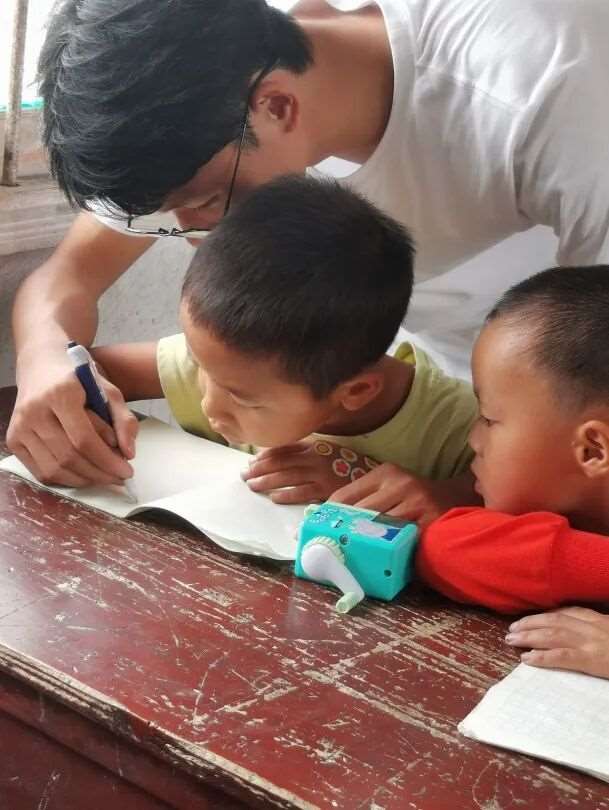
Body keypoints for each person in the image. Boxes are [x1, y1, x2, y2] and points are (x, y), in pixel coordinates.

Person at [8, 0, 609, 490]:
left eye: (210, 200)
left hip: (539, 421)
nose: (197, 235)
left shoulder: (548, 92)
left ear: (276, 105)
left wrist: (453, 499)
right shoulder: (200, 100)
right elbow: (66, 279)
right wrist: (46, 363)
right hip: (387, 393)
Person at [87, 176, 478, 513]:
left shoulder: (461, 425)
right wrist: (75, 412)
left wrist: (442, 495)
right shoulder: (226, 364)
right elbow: (91, 368)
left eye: (243, 399)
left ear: (356, 391)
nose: (210, 407)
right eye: (198, 365)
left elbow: (506, 500)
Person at [414, 265, 609, 677]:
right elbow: (445, 548)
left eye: (488, 419)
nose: (473, 439)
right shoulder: (564, 512)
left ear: (593, 450)